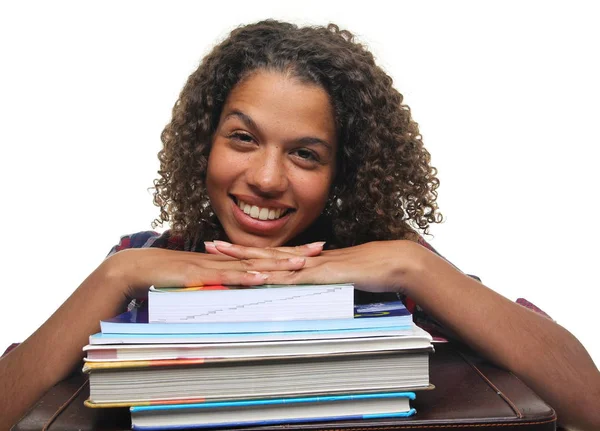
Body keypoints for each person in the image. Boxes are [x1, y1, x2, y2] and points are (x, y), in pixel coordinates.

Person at [1, 20, 599, 430]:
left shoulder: (394, 270)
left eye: (305, 154)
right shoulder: (143, 259)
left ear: (343, 172)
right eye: (243, 138)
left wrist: (416, 265)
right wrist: (116, 274)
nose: (265, 178)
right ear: (204, 142)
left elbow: (589, 404)